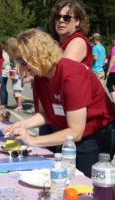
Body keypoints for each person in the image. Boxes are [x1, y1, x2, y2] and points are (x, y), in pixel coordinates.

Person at [4, 29, 115, 178]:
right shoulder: (40, 76)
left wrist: (33, 140)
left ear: (38, 56)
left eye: (23, 61)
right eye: (18, 61)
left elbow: (75, 132)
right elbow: (46, 115)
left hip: (94, 135)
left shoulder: (72, 75)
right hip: (71, 133)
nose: (20, 66)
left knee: (85, 184)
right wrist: (23, 125)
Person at [38, 0, 93, 142]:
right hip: (57, 112)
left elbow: (60, 72)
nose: (61, 21)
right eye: (58, 17)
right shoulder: (59, 43)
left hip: (76, 115)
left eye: (67, 17)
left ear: (77, 22)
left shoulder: (78, 41)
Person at [0, 43, 11, 108]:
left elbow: (3, 65)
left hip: (3, 73)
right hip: (6, 73)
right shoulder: (6, 54)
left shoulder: (3, 55)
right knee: (4, 88)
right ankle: (5, 103)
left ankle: (3, 103)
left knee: (2, 88)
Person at [106, 35, 115, 102]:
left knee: (109, 85)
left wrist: (108, 71)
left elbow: (112, 60)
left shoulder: (114, 49)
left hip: (113, 71)